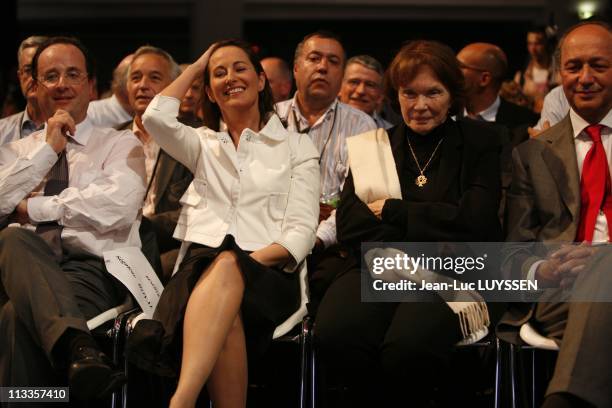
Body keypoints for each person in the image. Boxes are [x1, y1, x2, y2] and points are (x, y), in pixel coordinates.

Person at [130, 39, 320, 408]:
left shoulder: (296, 147)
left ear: (261, 80)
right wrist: (199, 65)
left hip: (270, 270)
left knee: (229, 263)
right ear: (210, 93)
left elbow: (300, 233)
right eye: (219, 73)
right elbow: (155, 116)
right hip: (199, 271)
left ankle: (180, 402)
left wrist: (246, 263)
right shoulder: (202, 143)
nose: (230, 77)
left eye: (239, 68)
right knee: (225, 307)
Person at [315, 40, 502, 407]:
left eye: (433, 92)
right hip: (378, 265)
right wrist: (436, 218)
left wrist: (395, 212)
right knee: (337, 334)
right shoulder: (373, 144)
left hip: (454, 268)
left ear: (452, 95)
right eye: (409, 93)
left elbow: (475, 221)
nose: (420, 106)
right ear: (394, 96)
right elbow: (353, 227)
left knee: (408, 347)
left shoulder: (480, 140)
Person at [0, 36, 146, 399]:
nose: (62, 84)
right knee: (15, 240)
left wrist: (32, 207)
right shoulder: (14, 151)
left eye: (72, 74)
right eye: (50, 76)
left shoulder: (120, 144)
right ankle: (79, 350)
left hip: (92, 269)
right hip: (21, 266)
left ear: (91, 86)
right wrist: (48, 151)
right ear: (33, 87)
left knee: (14, 317)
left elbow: (118, 207)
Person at [499, 21, 612, 408]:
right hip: (561, 288)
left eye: (598, 65)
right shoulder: (531, 155)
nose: (585, 78)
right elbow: (513, 253)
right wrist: (542, 271)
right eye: (573, 67)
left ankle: (565, 399)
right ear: (559, 73)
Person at [117, 45, 187, 282]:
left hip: (166, 246)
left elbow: (193, 213)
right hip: (114, 243)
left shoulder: (193, 138)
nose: (142, 85)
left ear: (175, 86)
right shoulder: (111, 139)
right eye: (135, 78)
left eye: (154, 77)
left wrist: (144, 227)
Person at [458, 42, 539, 145]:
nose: (453, 72)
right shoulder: (446, 117)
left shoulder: (525, 125)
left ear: (484, 79)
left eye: (460, 66)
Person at [0, 36, 48, 145]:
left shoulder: (72, 128)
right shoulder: (1, 131)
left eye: (40, 69)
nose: (34, 77)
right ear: (20, 76)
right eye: (28, 70)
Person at [339, 54, 394, 129]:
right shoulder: (319, 125)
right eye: (354, 82)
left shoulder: (391, 136)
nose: (361, 91)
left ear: (380, 96)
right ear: (338, 87)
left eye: (370, 85)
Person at [514, 26, 557, 113]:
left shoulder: (558, 74)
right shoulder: (521, 77)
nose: (533, 49)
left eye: (538, 43)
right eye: (530, 44)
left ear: (546, 44)